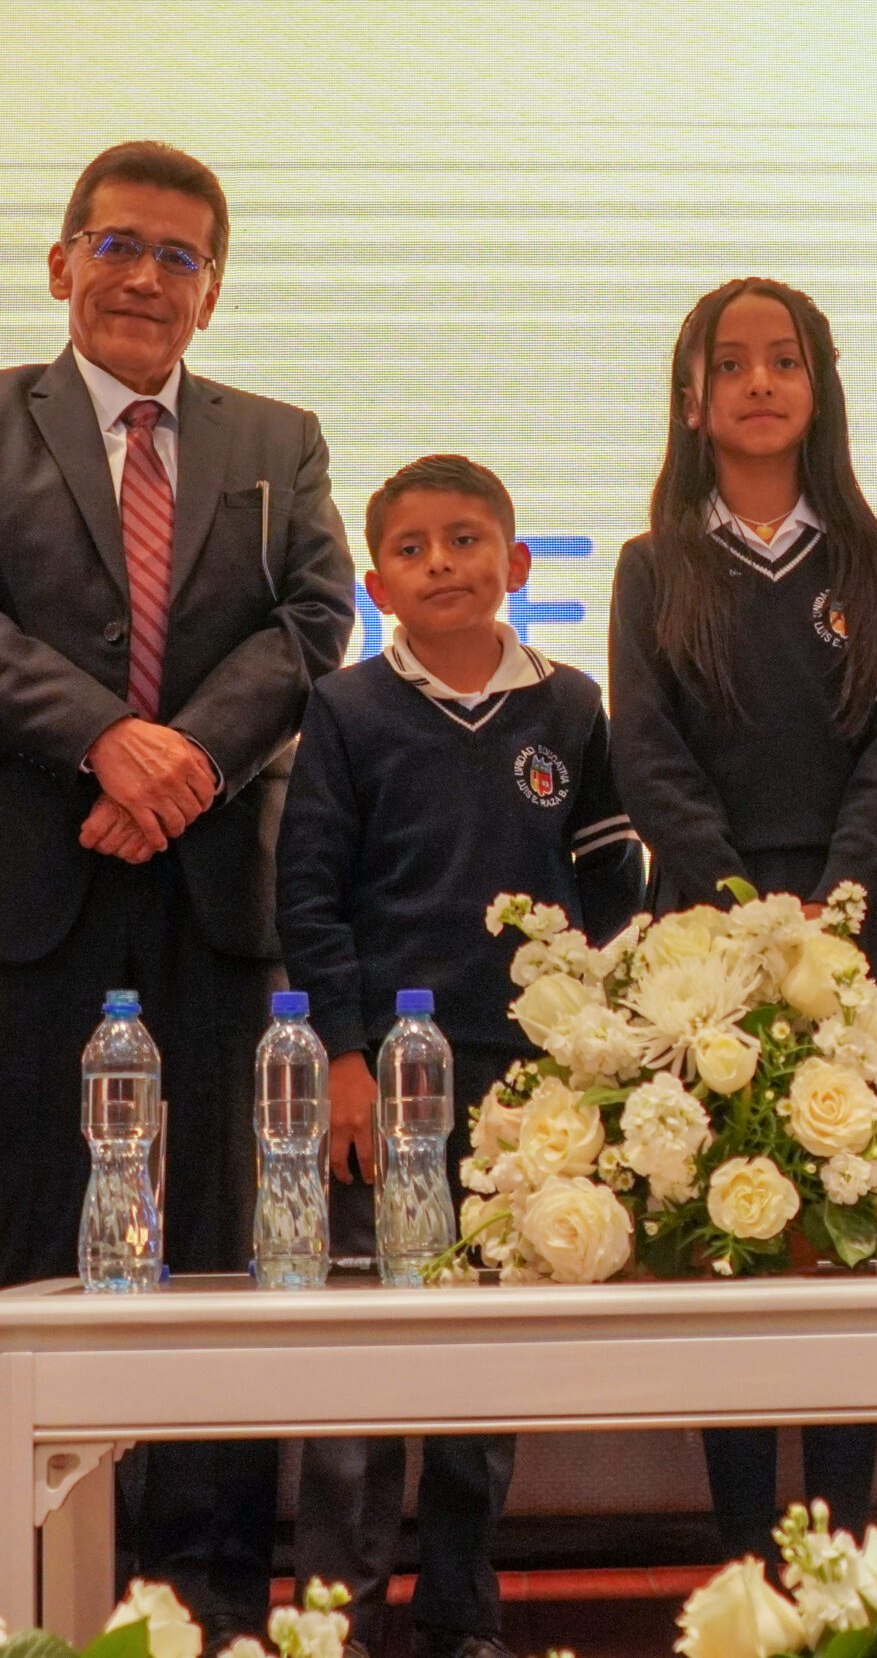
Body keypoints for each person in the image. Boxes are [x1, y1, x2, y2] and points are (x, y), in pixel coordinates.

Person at [0, 140, 353, 1634]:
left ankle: (209, 1590)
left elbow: (318, 612)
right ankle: (30, 1582)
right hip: (35, 896)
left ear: (214, 292)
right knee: (35, 1240)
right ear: (64, 260)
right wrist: (105, 739)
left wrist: (187, 759)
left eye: (181, 257)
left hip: (216, 899)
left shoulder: (280, 436)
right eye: (121, 245)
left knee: (222, 1242)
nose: (148, 276)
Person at [279, 454, 642, 1658]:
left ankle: (462, 1610)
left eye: (468, 540)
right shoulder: (346, 711)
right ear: (379, 583)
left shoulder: (570, 707)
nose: (443, 564)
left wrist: (598, 1053)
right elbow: (312, 897)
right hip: (381, 1084)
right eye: (417, 549)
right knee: (367, 1363)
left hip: (521, 1095)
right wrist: (342, 1057)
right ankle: (341, 1621)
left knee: (484, 1367)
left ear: (518, 566)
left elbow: (608, 882)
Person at [610, 277, 877, 1560]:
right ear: (692, 396)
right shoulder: (654, 568)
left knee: (852, 1225)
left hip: (863, 932)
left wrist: (836, 901)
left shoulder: (876, 560)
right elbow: (646, 755)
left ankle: (839, 1556)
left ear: (819, 386)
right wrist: (745, 912)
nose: (757, 382)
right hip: (703, 940)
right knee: (723, 1229)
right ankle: (745, 1560)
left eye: (783, 360)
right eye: (729, 363)